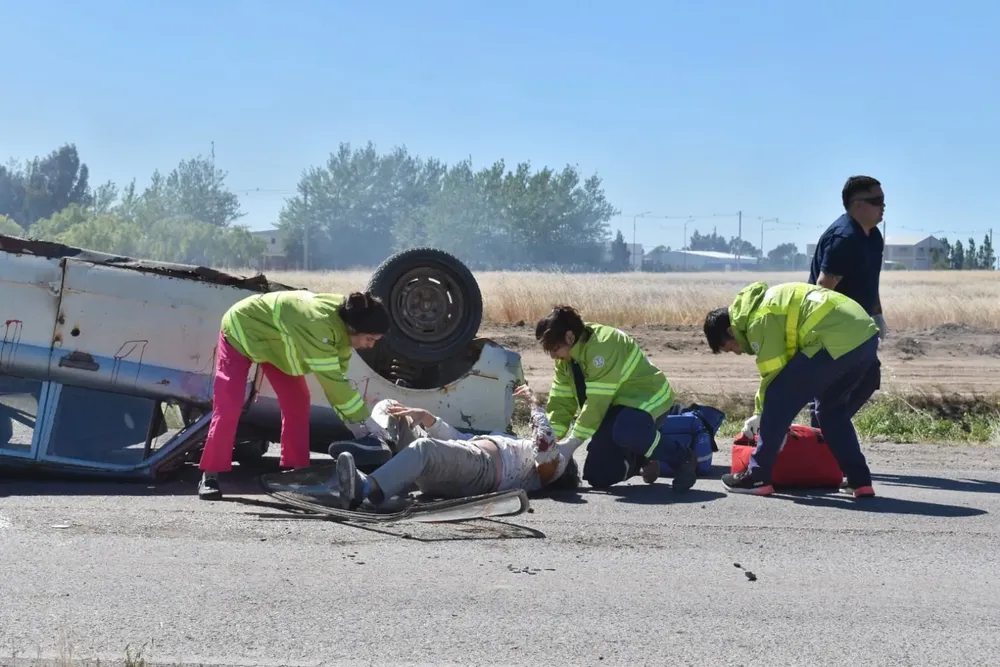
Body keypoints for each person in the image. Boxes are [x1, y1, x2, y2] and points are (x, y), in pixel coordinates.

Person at [197, 290, 391, 500]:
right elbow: (332, 383)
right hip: (241, 329)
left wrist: (357, 426)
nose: (371, 345)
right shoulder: (319, 324)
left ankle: (298, 473)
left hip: (274, 343)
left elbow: (339, 384)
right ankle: (210, 475)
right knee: (229, 405)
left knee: (297, 402)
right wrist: (366, 422)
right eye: (369, 339)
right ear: (353, 328)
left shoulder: (345, 326)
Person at [703, 281, 880, 498]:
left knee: (777, 398)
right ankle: (859, 480)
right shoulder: (765, 306)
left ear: (731, 331)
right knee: (830, 411)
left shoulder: (758, 319)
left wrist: (760, 413)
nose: (737, 353)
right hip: (865, 338)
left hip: (835, 339)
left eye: (731, 348)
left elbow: (773, 374)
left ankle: (757, 476)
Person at [335, 385, 580, 510]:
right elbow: (459, 439)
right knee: (391, 407)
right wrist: (428, 418)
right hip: (463, 460)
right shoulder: (522, 450)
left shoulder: (551, 469)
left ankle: (365, 487)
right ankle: (378, 447)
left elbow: (545, 445)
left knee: (424, 449)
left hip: (481, 473)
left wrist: (535, 404)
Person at [534, 306, 698, 492]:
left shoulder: (603, 345)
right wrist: (551, 439)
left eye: (554, 349)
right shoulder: (565, 358)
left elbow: (597, 403)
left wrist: (571, 444)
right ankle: (642, 458)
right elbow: (561, 401)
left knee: (626, 430)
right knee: (598, 476)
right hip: (614, 409)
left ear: (570, 337)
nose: (553, 356)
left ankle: (682, 457)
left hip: (647, 400)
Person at [806, 175, 888, 427]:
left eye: (883, 200)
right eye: (876, 200)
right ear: (857, 204)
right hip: (836, 330)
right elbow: (824, 287)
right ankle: (824, 431)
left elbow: (870, 281)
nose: (883, 206)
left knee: (868, 377)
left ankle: (828, 427)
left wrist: (877, 314)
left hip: (859, 328)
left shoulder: (873, 237)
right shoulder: (845, 238)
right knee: (837, 384)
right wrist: (827, 332)